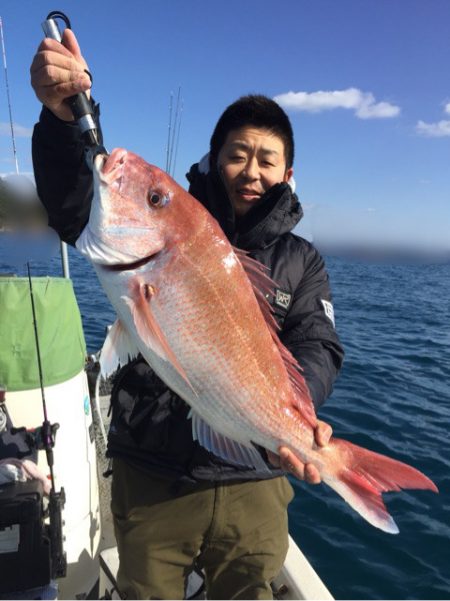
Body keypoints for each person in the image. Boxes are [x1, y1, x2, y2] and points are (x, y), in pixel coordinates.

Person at [30, 29, 344, 600]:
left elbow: (318, 345)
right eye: (237, 155)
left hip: (256, 475)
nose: (251, 171)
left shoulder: (302, 261)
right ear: (214, 158)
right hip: (152, 471)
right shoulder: (179, 228)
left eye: (267, 160)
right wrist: (61, 120)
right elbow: (73, 202)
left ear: (287, 175)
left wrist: (301, 415)